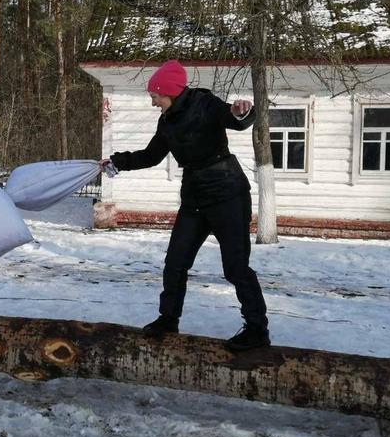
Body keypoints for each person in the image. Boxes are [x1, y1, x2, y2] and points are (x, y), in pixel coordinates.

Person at [101, 60, 270, 351]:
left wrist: (244, 110)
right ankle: (168, 319)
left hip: (227, 192)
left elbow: (237, 120)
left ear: (168, 91)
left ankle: (257, 329)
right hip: (194, 197)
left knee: (236, 267)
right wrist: (117, 161)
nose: (153, 102)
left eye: (154, 96)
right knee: (175, 262)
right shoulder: (167, 121)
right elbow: (151, 156)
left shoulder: (203, 103)